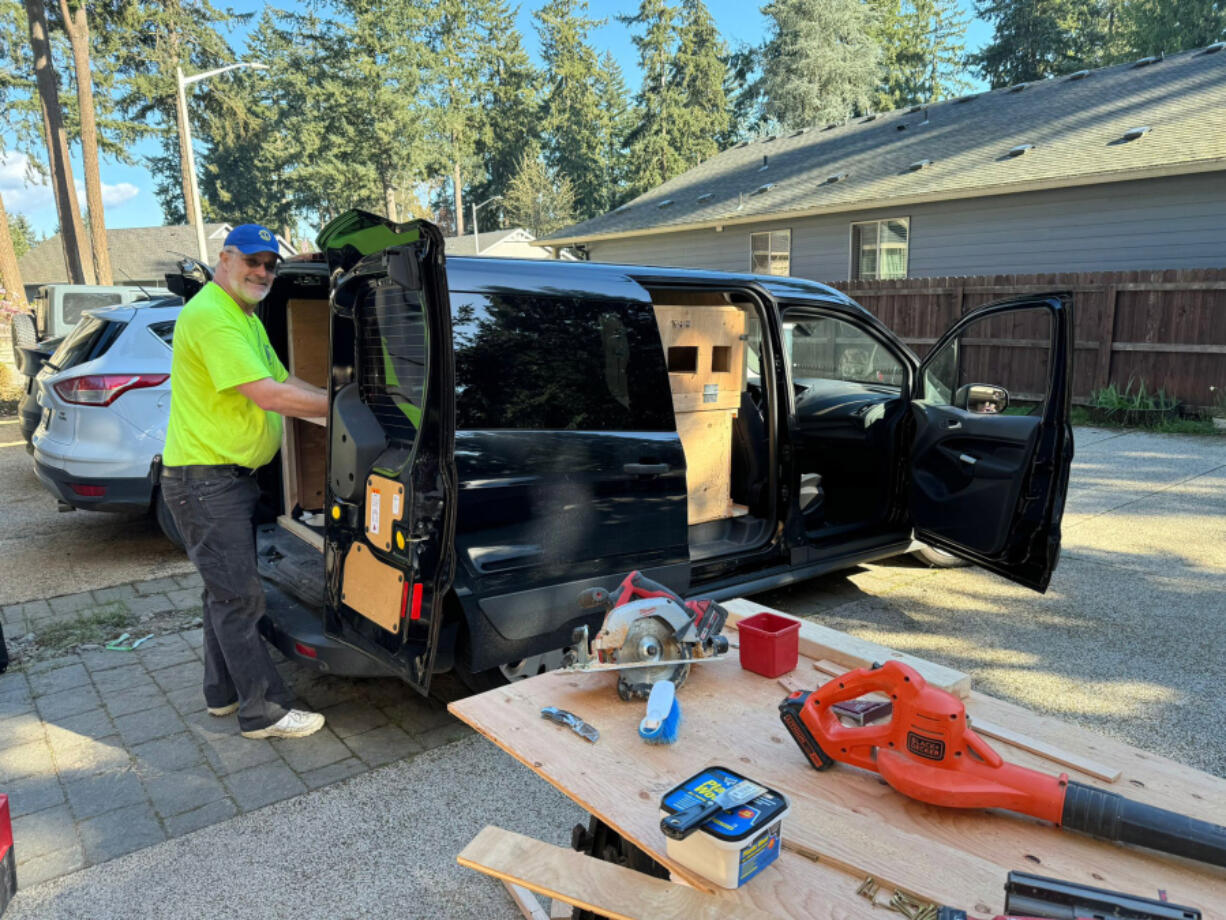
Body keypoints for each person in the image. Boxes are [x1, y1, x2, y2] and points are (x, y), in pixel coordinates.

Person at [161, 224, 329, 740]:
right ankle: (263, 712)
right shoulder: (213, 316)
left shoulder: (243, 316)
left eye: (270, 265)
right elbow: (269, 396)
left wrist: (332, 402)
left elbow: (284, 381)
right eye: (253, 261)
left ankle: (222, 694)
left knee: (222, 592)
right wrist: (351, 410)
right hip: (205, 481)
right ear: (226, 258)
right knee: (239, 599)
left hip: (220, 480)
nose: (263, 272)